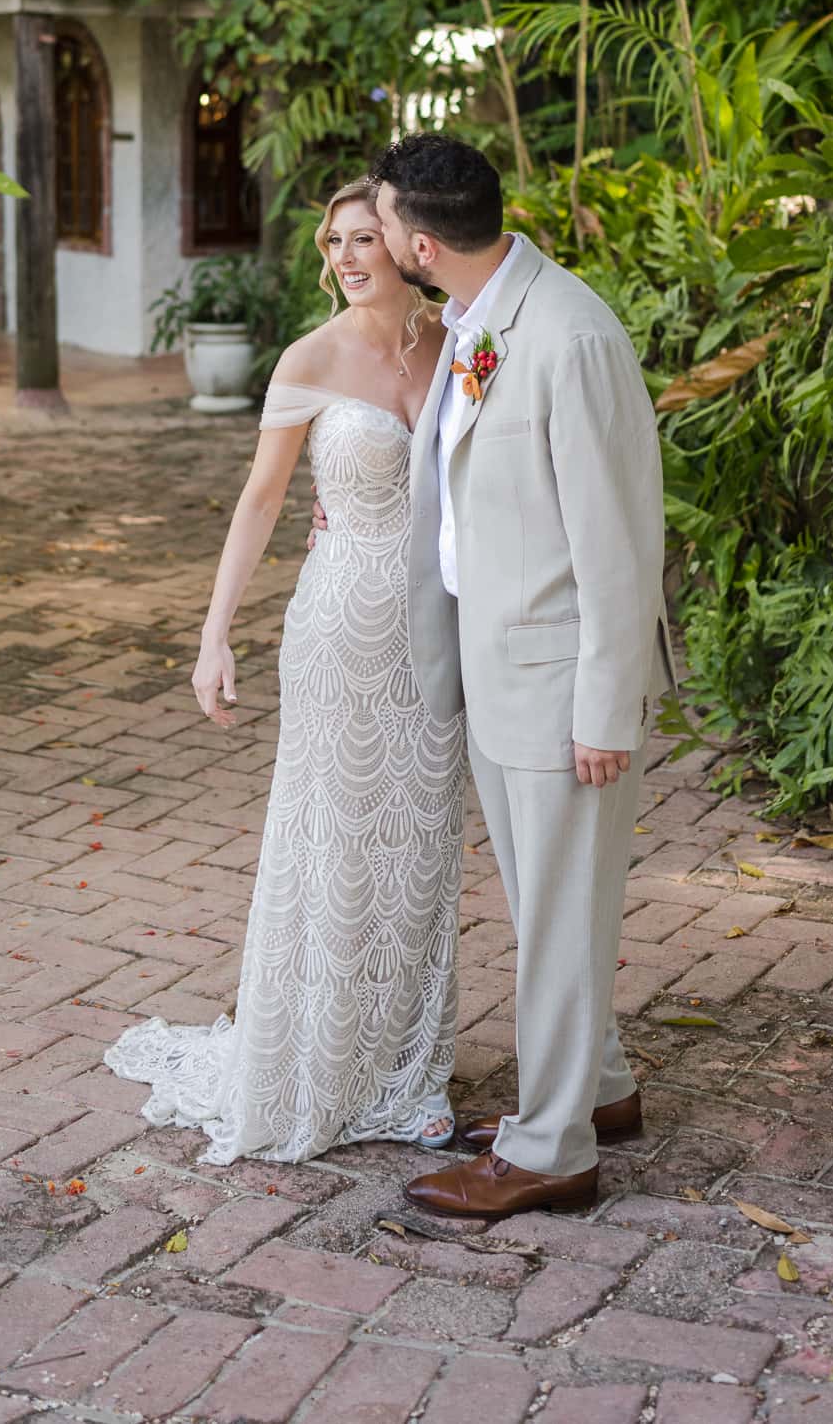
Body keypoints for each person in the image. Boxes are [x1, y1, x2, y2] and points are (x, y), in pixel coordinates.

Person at [104, 179, 465, 1162]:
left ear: (407, 247)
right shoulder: (309, 358)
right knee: (335, 844)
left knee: (421, 848)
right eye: (335, 242)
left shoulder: (458, 347)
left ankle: (407, 1070)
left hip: (439, 628)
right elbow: (261, 501)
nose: (347, 258)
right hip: (338, 627)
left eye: (365, 240)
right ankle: (315, 1060)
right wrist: (215, 633)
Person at [367, 133, 674, 1220]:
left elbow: (621, 539)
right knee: (553, 909)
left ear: (414, 239)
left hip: (559, 688)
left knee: (555, 915)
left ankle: (552, 1148)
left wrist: (606, 704)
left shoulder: (571, 334)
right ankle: (599, 1086)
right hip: (501, 669)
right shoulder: (479, 318)